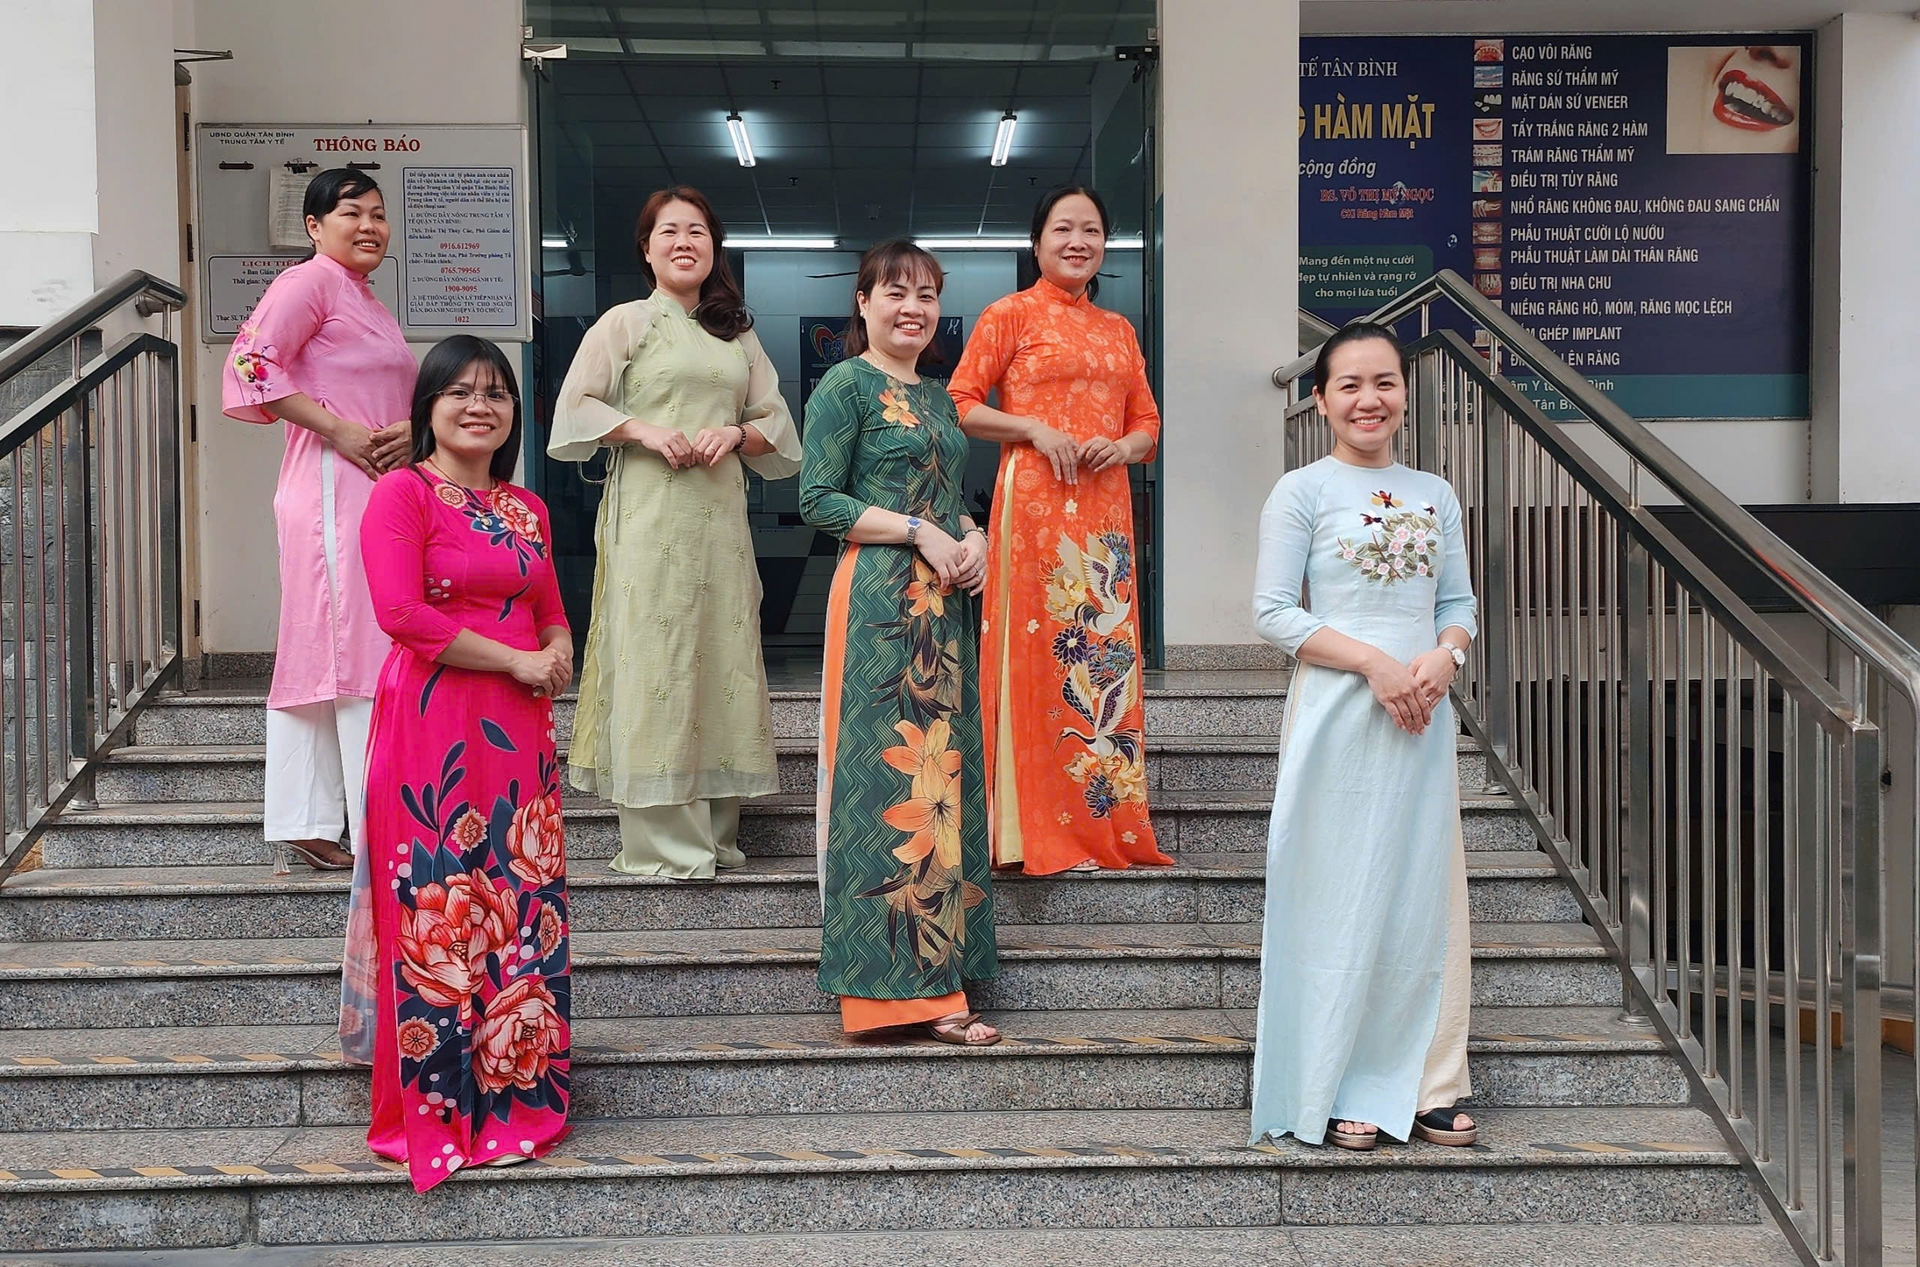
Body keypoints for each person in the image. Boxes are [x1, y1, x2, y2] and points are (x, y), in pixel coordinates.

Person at [1246, 322, 1479, 1152]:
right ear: (1320, 400)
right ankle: (1339, 1080)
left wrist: (1446, 657)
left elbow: (1458, 603)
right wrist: (1376, 664)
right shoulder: (1301, 491)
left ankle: (1432, 1082)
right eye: (1349, 384)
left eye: (1384, 382)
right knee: (1336, 893)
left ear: (1405, 393)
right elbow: (1273, 611)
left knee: (1424, 896)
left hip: (1420, 716)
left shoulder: (1435, 492)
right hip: (1338, 714)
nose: (1368, 399)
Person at [356, 336, 573, 1192]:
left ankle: (516, 1094)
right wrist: (518, 659)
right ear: (428, 407)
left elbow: (550, 606)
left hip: (518, 731)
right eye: (460, 392)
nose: (479, 406)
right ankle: (440, 1104)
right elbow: (401, 613)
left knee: (519, 902)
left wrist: (557, 651)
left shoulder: (528, 507)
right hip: (433, 723)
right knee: (440, 907)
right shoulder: (401, 493)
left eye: (496, 393)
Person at [548, 186, 801, 880]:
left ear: (714, 248)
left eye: (698, 231)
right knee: (656, 656)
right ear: (647, 248)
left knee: (720, 654)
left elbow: (778, 426)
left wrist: (735, 433)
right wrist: (643, 430)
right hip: (649, 512)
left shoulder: (736, 334)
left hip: (719, 519)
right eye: (670, 231)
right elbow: (574, 409)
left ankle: (715, 833)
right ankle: (663, 843)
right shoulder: (626, 322)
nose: (685, 242)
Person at [800, 241, 1000, 1045]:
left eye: (926, 294)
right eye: (895, 292)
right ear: (863, 302)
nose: (912, 307)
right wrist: (920, 531)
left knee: (940, 780)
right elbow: (819, 498)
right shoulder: (845, 385)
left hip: (943, 607)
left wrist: (975, 536)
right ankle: (889, 994)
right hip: (877, 604)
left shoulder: (940, 398)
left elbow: (952, 500)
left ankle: (942, 972)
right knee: (885, 783)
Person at [948, 186, 1171, 876]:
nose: (1079, 242)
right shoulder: (1009, 314)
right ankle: (1027, 828)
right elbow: (960, 403)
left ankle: (1097, 819)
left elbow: (1148, 423)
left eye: (1092, 230)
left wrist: (1123, 446)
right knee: (1041, 655)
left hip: (1104, 509)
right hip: (1036, 510)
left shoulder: (1119, 330)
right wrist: (1033, 429)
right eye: (1063, 229)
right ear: (1038, 242)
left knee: (1103, 660)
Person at [222, 168, 414, 874]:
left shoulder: (364, 298)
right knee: (347, 643)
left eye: (378, 213)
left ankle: (317, 816)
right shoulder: (307, 283)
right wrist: (339, 429)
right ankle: (366, 819)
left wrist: (411, 431)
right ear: (313, 226)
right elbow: (250, 364)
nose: (369, 225)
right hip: (333, 487)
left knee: (349, 642)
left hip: (376, 488)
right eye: (351, 212)